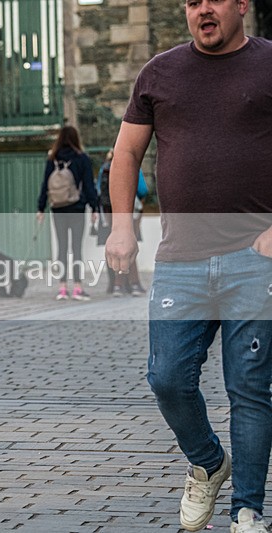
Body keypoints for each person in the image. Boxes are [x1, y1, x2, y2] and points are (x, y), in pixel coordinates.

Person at [105, 1, 272, 531]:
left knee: (249, 387)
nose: (203, 9)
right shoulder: (160, 71)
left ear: (240, 5)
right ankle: (208, 463)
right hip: (180, 259)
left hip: (256, 259)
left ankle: (248, 509)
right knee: (167, 378)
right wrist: (122, 225)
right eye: (192, 1)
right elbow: (126, 153)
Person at [36, 126, 98, 301]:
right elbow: (88, 185)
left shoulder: (52, 159)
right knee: (76, 248)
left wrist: (40, 208)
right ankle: (78, 287)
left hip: (58, 208)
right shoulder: (82, 158)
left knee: (62, 247)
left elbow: (44, 185)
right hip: (77, 208)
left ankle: (62, 288)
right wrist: (94, 207)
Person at [96, 149, 148, 297]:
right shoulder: (132, 166)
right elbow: (143, 190)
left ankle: (116, 285)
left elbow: (98, 189)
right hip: (130, 211)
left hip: (109, 213)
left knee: (114, 249)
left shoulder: (105, 167)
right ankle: (134, 284)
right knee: (129, 247)